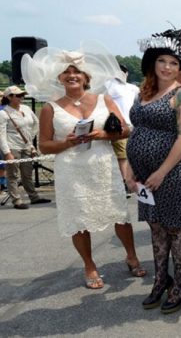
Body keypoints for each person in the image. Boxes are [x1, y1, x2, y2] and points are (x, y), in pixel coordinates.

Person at [22, 41, 146, 289]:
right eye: (66, 72)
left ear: (86, 77)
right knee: (79, 220)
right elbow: (45, 145)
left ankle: (131, 255)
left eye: (76, 72)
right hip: (71, 170)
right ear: (59, 77)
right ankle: (89, 265)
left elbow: (125, 129)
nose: (72, 76)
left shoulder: (104, 100)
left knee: (119, 215)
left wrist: (103, 135)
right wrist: (67, 143)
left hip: (102, 165)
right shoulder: (50, 108)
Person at [128, 29, 181, 313]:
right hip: (144, 177)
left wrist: (161, 172)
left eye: (174, 63)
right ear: (152, 64)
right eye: (163, 62)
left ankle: (180, 282)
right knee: (155, 226)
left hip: (172, 173)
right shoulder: (142, 92)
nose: (168, 67)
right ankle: (161, 279)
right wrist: (132, 169)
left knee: (175, 228)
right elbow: (136, 131)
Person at [0, 86, 48, 209]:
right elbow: (1, 134)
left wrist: (30, 141)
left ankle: (34, 197)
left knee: (27, 173)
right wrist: (7, 152)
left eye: (22, 95)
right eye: (18, 96)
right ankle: (16, 200)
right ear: (9, 97)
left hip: (26, 145)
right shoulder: (4, 113)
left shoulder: (26, 108)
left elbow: (35, 123)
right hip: (12, 146)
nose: (22, 98)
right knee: (13, 175)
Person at [104, 65, 140, 196]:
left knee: (131, 154)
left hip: (133, 125)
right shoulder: (108, 85)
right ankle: (124, 181)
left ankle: (130, 178)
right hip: (118, 125)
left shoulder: (133, 88)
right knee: (122, 155)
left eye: (124, 72)